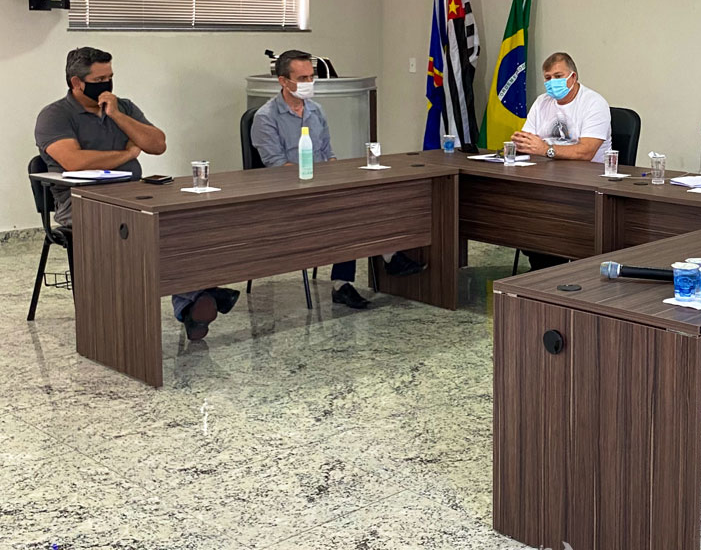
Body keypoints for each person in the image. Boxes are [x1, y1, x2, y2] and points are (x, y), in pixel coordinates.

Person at [35, 47, 239, 340]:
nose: (107, 84)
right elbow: (75, 161)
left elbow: (157, 144)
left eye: (110, 76)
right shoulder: (55, 115)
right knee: (140, 230)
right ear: (77, 83)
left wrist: (117, 115)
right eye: (99, 79)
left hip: (134, 193)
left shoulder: (124, 107)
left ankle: (196, 297)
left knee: (183, 220)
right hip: (81, 203)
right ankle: (198, 296)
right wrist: (127, 154)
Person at [251, 50, 424, 309]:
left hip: (323, 186)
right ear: (284, 81)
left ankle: (363, 270)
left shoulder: (316, 110)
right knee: (347, 211)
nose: (309, 83)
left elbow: (328, 153)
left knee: (367, 196)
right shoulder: (265, 117)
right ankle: (375, 264)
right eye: (302, 78)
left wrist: (338, 175)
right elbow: (276, 166)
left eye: (311, 77)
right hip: (289, 194)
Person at [510, 52, 613, 270]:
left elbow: (586, 152)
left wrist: (545, 149)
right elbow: (528, 142)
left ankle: (560, 268)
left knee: (553, 224)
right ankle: (542, 268)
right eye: (547, 78)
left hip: (587, 187)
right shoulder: (542, 102)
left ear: (573, 77)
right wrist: (520, 143)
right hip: (547, 181)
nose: (551, 82)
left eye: (558, 76)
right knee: (523, 212)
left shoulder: (594, 103)